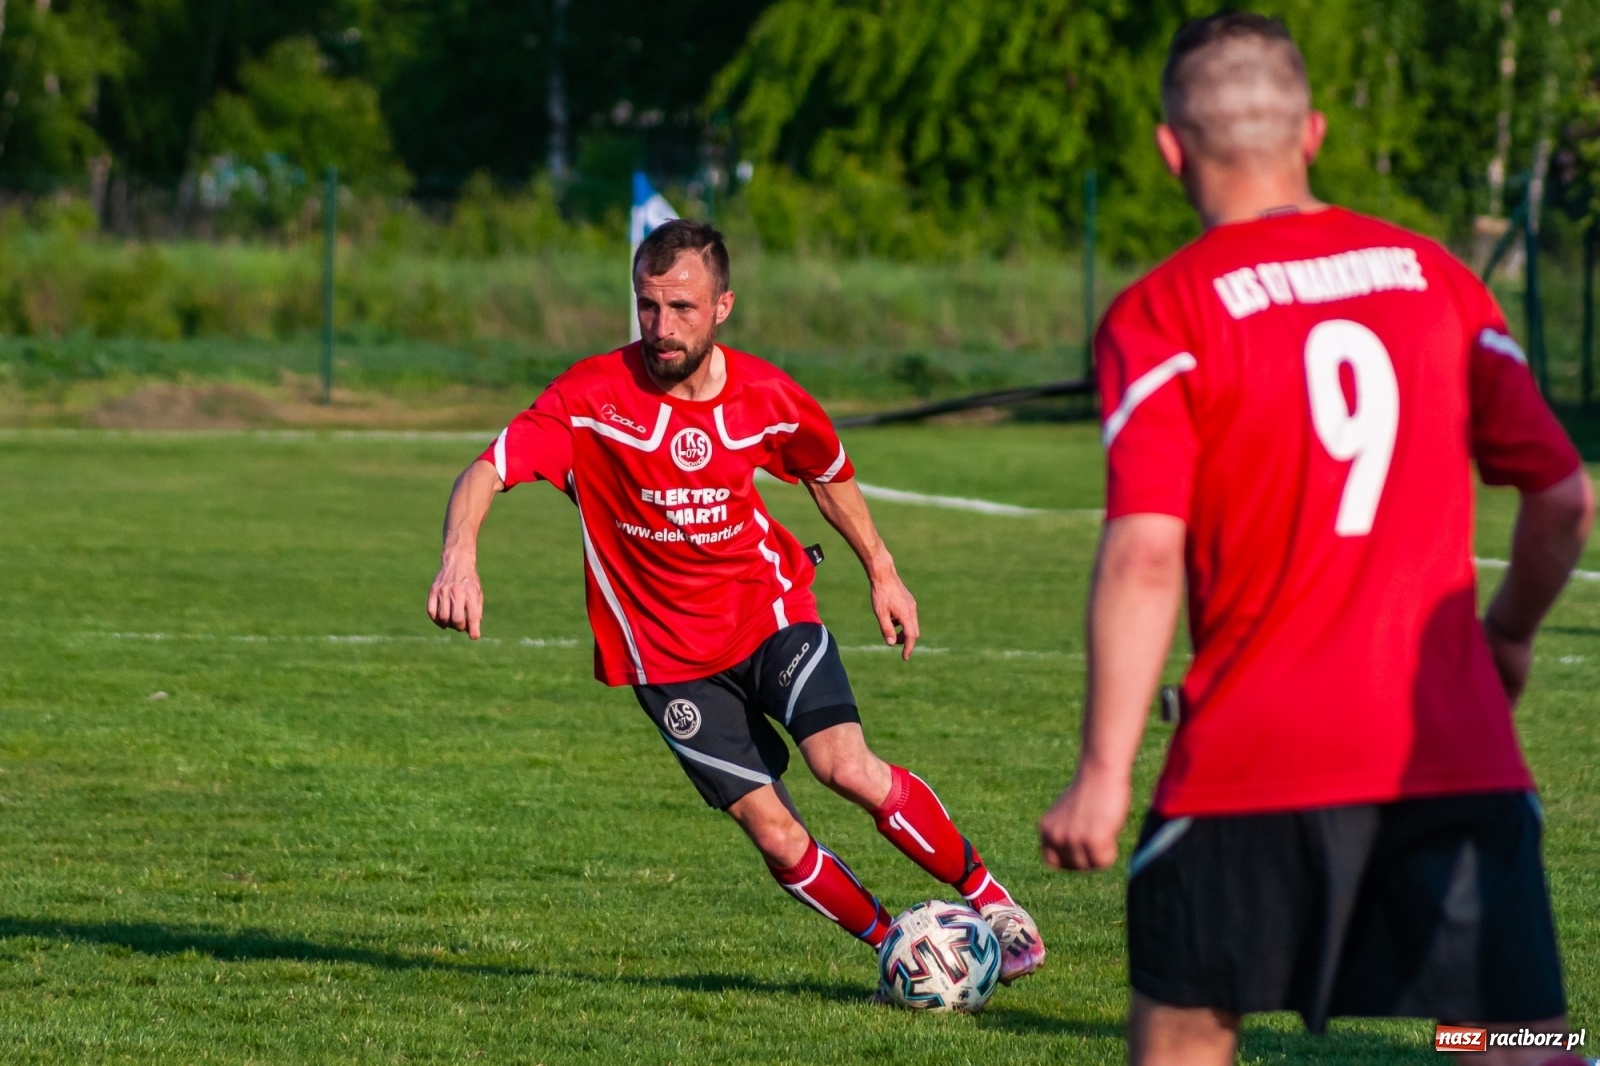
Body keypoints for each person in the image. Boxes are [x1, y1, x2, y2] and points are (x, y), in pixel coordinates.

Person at [1037, 12, 1593, 1066]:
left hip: (1251, 759)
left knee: (1188, 1035)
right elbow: (1562, 498)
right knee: (1511, 1040)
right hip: (1451, 753)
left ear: (1169, 151)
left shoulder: (1162, 312)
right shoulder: (1439, 282)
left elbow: (1146, 552)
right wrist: (1508, 634)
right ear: (1314, 133)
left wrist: (1104, 771)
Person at [428, 218, 1045, 994]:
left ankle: (994, 903)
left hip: (769, 611)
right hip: (665, 662)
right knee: (776, 834)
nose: (661, 327)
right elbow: (488, 469)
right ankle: (902, 949)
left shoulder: (766, 395)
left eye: (682, 307)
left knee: (844, 767)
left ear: (723, 305)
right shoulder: (590, 400)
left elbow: (827, 472)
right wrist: (461, 555)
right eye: (647, 307)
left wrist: (883, 571)